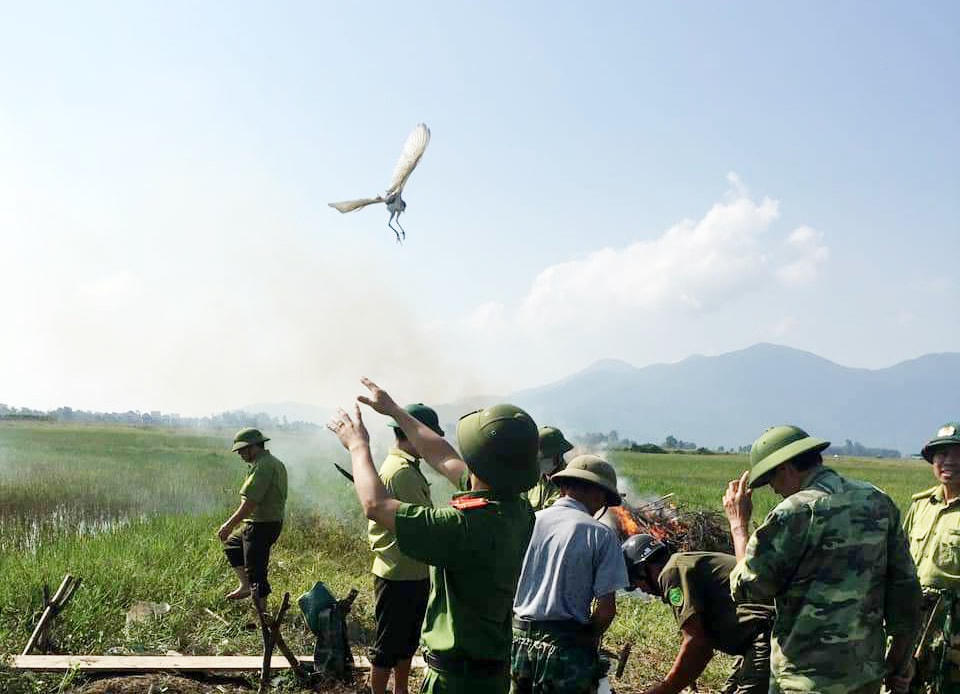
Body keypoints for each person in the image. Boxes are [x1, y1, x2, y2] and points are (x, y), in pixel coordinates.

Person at [328, 378, 538, 694]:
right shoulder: (517, 509)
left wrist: (357, 446)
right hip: (492, 674)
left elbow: (376, 505)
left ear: (480, 464)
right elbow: (441, 456)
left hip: (455, 681)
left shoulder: (463, 526)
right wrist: (395, 410)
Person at [723, 424, 921, 694]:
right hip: (864, 677)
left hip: (803, 682)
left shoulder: (793, 512)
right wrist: (899, 660)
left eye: (771, 481)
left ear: (786, 469)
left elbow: (748, 588)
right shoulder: (877, 500)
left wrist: (738, 526)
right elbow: (905, 590)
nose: (775, 491)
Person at [511, 454, 628, 694]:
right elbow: (606, 610)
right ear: (598, 494)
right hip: (565, 648)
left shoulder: (527, 521)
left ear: (564, 487)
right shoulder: (601, 535)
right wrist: (585, 643)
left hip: (515, 641)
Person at [621, 534, 774, 694]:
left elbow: (698, 644)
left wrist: (665, 689)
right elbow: (701, 643)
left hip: (766, 633)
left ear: (643, 569)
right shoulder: (682, 565)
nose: (640, 589)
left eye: (634, 582)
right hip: (756, 637)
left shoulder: (671, 572)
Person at [367, 403, 441, 694]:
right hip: (399, 571)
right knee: (388, 644)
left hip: (410, 569)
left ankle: (401, 690)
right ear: (413, 433)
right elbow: (422, 524)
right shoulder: (402, 473)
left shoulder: (406, 467)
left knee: (407, 640)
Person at [899, 422, 960, 693]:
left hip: (953, 620)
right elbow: (900, 560)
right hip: (913, 614)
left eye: (957, 453)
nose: (948, 461)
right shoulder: (921, 505)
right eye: (941, 454)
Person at [217, 427, 287, 608]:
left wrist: (229, 524)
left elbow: (250, 503)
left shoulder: (263, 467)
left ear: (254, 447)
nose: (240, 454)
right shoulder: (270, 462)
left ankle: (262, 616)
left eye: (242, 450)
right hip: (264, 523)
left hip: (261, 525)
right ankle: (245, 585)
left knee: (256, 572)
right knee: (233, 544)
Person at [526, 426, 574, 511]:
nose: (537, 463)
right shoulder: (534, 481)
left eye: (540, 459)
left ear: (556, 458)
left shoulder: (570, 484)